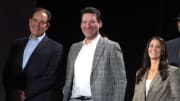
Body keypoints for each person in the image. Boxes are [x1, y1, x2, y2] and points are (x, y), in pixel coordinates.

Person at [62, 7, 127, 101]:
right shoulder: (74, 48)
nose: (87, 25)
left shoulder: (111, 47)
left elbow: (120, 81)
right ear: (81, 25)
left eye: (92, 22)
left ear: (100, 24)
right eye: (84, 22)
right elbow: (69, 79)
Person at [2, 8, 63, 101]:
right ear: (30, 21)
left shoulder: (55, 48)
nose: (37, 24)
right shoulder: (17, 44)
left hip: (37, 98)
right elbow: (7, 72)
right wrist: (13, 92)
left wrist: (25, 93)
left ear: (47, 26)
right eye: (35, 20)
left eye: (42, 22)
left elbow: (50, 77)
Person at [132, 36, 180, 101]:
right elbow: (135, 98)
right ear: (147, 49)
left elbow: (177, 98)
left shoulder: (173, 72)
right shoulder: (140, 73)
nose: (153, 49)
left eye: (158, 47)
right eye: (151, 46)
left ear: (162, 51)